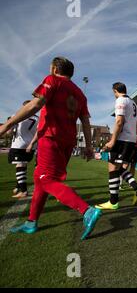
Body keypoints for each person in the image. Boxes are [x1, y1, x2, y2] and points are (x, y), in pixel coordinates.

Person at [0, 57, 102, 240]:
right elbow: (86, 122)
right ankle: (31, 222)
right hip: (67, 142)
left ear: (54, 69)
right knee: (40, 179)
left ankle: (86, 210)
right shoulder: (80, 94)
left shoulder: (52, 80)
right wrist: (88, 146)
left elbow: (35, 104)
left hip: (51, 137)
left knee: (45, 180)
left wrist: (7, 124)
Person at [96, 82, 137, 210]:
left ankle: (113, 202)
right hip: (131, 140)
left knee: (112, 169)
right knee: (117, 169)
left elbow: (119, 121)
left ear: (115, 90)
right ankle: (136, 187)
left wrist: (113, 140)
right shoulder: (134, 104)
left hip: (122, 139)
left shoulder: (120, 100)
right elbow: (136, 124)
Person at [7, 101, 38, 198]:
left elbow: (9, 132)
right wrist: (32, 143)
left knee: (19, 166)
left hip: (19, 145)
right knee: (22, 166)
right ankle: (18, 186)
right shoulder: (38, 119)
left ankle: (23, 191)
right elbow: (39, 133)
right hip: (31, 146)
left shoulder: (17, 116)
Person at [120, 114, 137, 190]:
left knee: (133, 166)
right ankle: (120, 183)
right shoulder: (127, 123)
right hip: (128, 145)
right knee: (125, 165)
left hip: (136, 146)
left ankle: (130, 183)